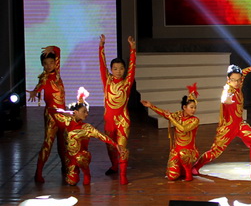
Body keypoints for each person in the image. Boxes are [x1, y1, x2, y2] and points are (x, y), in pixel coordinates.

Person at [193, 64, 251, 180]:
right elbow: (224, 97)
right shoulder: (228, 89)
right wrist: (226, 100)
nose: (236, 82)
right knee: (215, 152)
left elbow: (242, 73)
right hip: (227, 127)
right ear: (228, 79)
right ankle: (196, 166)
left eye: (238, 80)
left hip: (240, 124)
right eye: (233, 80)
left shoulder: (239, 84)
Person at [51, 87, 123, 186]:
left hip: (82, 156)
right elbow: (52, 111)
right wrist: (69, 112)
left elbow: (102, 136)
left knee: (80, 159)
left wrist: (116, 145)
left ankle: (86, 174)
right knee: (71, 181)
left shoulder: (87, 128)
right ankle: (74, 171)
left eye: (87, 112)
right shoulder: (66, 122)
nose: (86, 114)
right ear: (75, 112)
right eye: (84, 111)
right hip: (69, 157)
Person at [141, 86, 200, 181]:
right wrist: (151, 106)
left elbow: (183, 129)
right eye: (191, 107)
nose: (193, 110)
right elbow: (165, 114)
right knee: (172, 176)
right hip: (176, 150)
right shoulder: (178, 115)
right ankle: (181, 170)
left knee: (183, 154)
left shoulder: (195, 120)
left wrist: (171, 119)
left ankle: (188, 172)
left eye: (195, 108)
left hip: (188, 151)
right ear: (184, 107)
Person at [99, 34, 136, 185]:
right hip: (109, 121)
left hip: (123, 121)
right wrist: (101, 46)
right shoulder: (107, 81)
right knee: (110, 147)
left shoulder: (127, 83)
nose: (118, 71)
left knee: (121, 148)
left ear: (124, 70)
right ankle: (114, 166)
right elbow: (101, 65)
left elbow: (133, 66)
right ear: (111, 69)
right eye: (115, 68)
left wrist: (132, 49)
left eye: (121, 68)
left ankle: (123, 175)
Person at [27, 46, 66, 183]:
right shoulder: (44, 78)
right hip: (51, 116)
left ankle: (65, 167)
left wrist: (52, 48)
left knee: (63, 143)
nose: (49, 66)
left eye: (51, 63)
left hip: (63, 115)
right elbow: (38, 87)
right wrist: (34, 92)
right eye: (46, 63)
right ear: (42, 65)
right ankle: (38, 172)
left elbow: (58, 51)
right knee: (48, 144)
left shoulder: (57, 72)